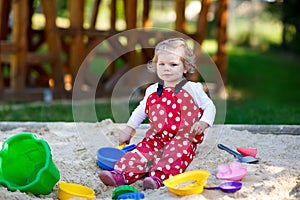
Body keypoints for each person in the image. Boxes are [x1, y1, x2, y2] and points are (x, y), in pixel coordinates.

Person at [99, 37, 216, 190]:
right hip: (157, 138)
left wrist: (203, 122)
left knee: (173, 157)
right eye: (162, 64)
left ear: (185, 67)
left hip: (183, 139)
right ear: (155, 66)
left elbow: (210, 107)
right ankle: (120, 174)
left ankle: (157, 178)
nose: (166, 68)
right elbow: (140, 111)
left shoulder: (193, 88)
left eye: (173, 64)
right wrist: (128, 130)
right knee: (140, 152)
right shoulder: (153, 90)